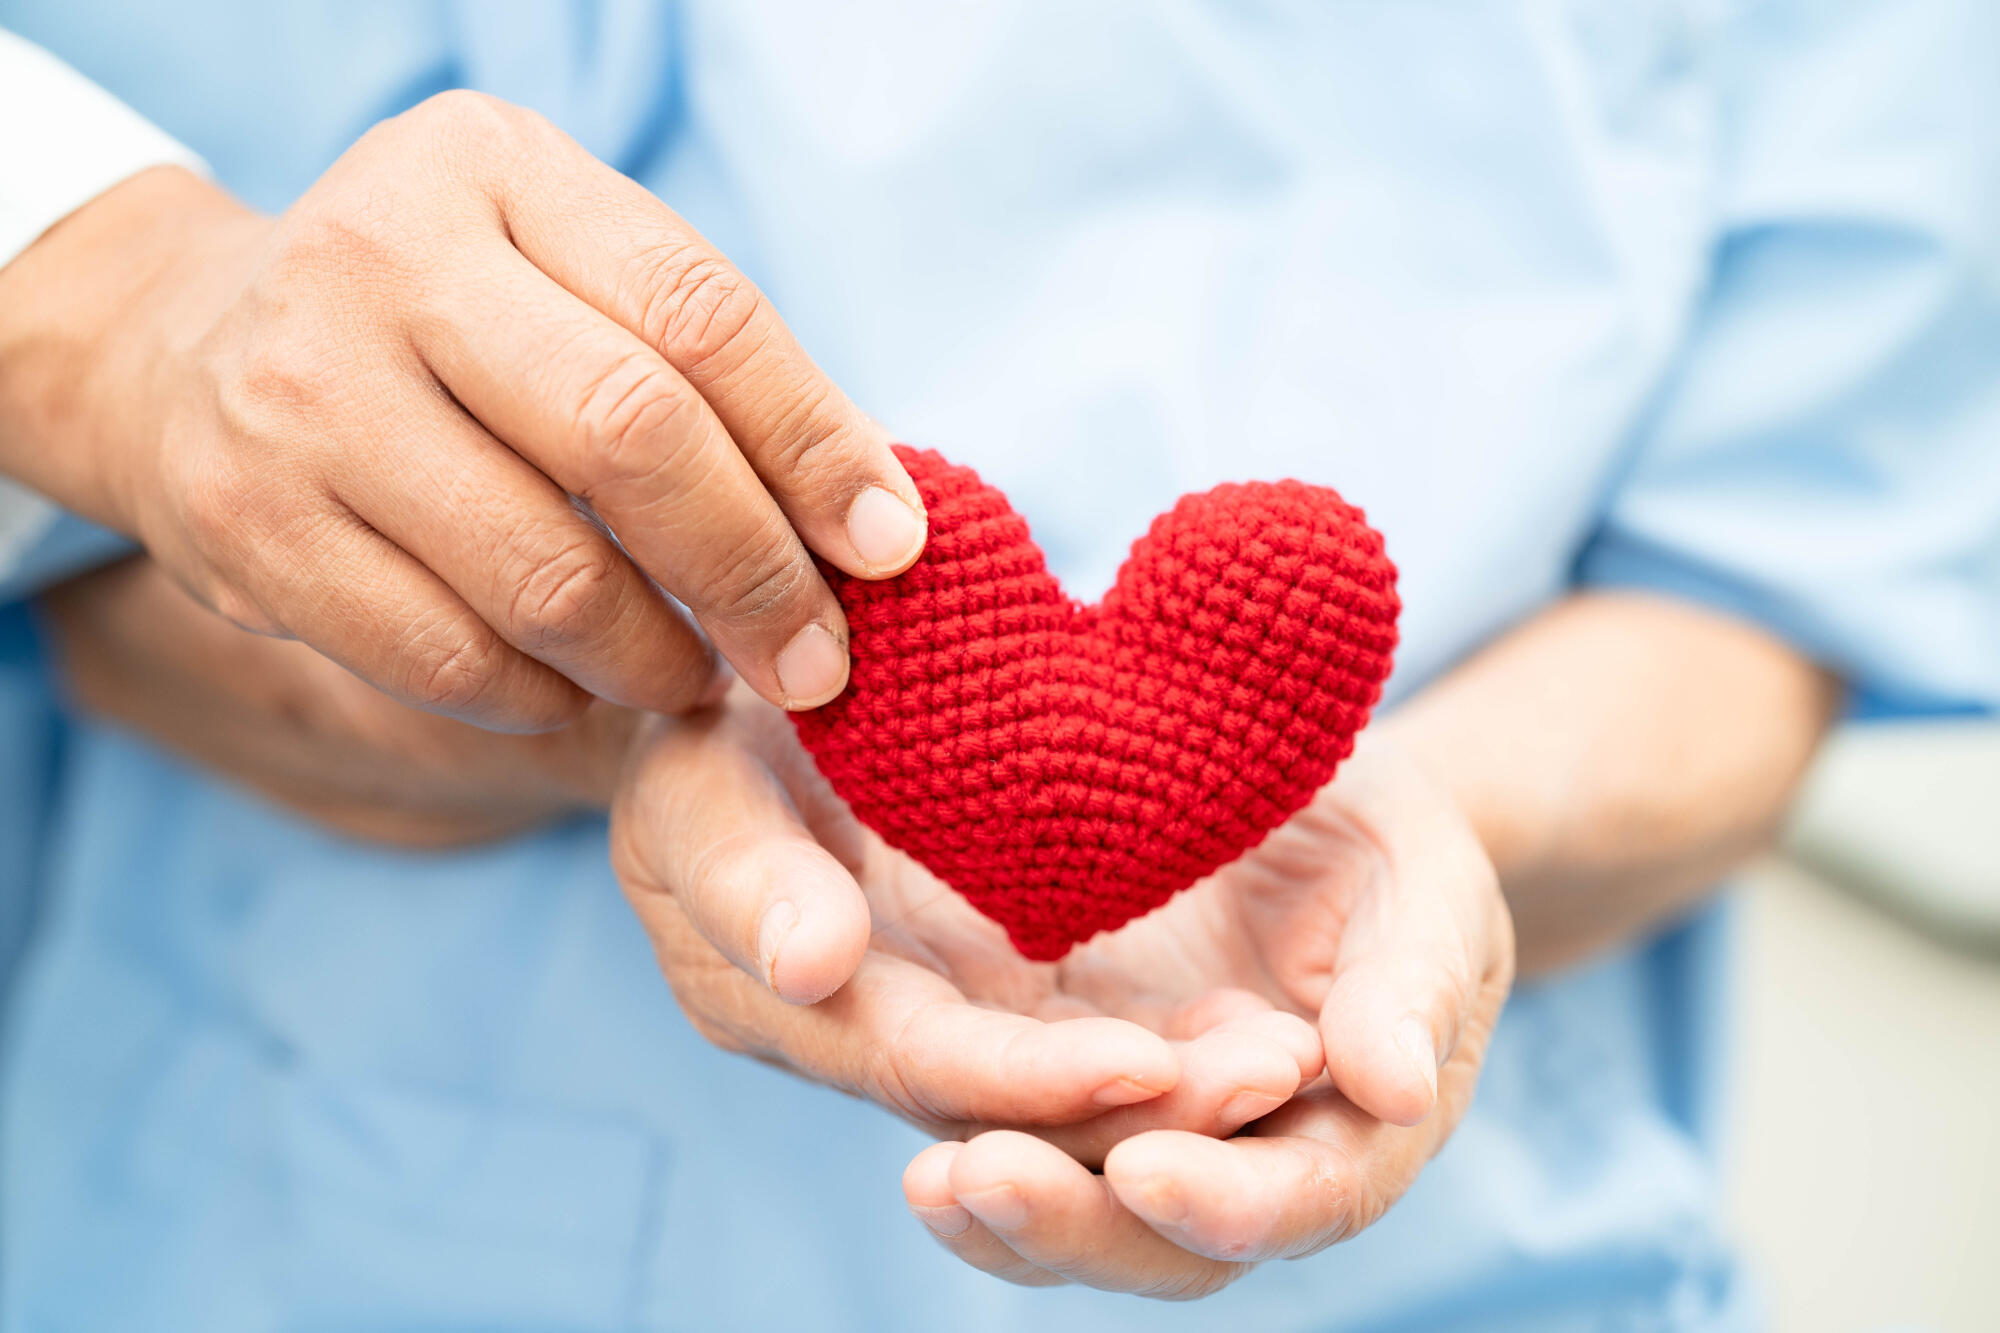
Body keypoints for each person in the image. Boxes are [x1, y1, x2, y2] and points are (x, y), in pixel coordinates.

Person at [1, 3, 1997, 1329]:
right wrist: (684, 715)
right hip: (322, 1202)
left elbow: (1758, 594)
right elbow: (139, 484)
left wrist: (1382, 841)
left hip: (1457, 1266)